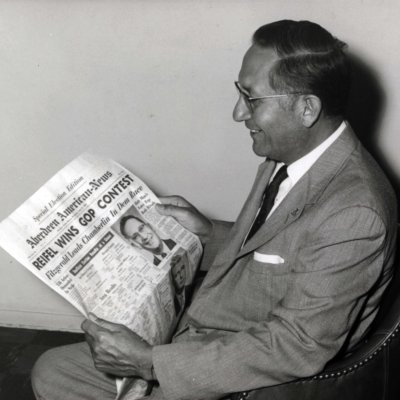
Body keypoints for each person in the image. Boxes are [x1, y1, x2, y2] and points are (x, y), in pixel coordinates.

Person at [31, 20, 397, 400]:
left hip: (250, 381)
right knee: (55, 372)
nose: (239, 113)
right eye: (240, 92)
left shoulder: (355, 212)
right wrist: (207, 233)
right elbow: (283, 254)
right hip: (206, 337)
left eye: (252, 99)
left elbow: (297, 345)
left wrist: (149, 363)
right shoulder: (293, 158)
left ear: (307, 108)